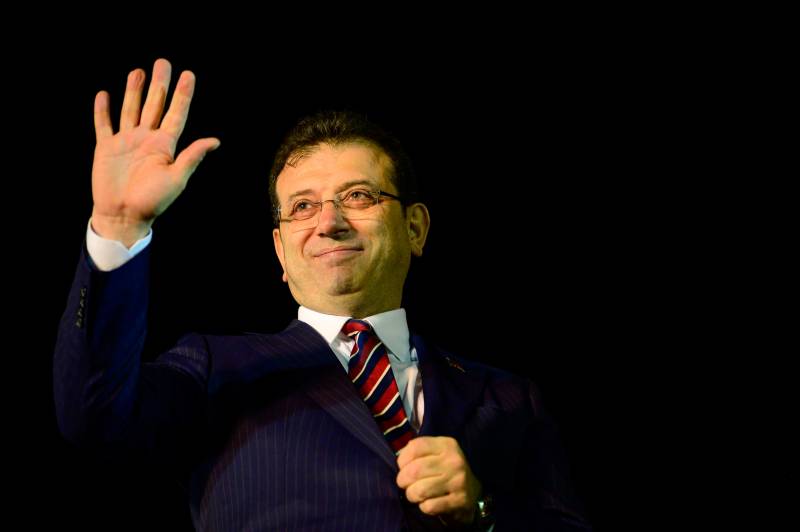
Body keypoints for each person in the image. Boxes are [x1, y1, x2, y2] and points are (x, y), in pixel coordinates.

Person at [53, 58, 592, 531]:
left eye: (358, 195)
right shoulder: (215, 369)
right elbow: (93, 415)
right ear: (281, 253)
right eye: (303, 207)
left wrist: (483, 511)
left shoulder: (509, 398)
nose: (329, 222)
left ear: (416, 228)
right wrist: (117, 225)